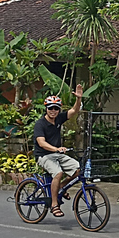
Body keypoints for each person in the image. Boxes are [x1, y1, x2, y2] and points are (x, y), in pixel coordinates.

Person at [33, 85, 84, 218]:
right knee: (58, 172)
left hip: (57, 154)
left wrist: (78, 99)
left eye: (56, 108)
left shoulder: (59, 119)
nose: (53, 111)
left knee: (78, 169)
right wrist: (56, 149)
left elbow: (74, 111)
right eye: (50, 108)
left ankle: (60, 186)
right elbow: (41, 143)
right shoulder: (40, 124)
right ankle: (54, 204)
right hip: (43, 156)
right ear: (46, 109)